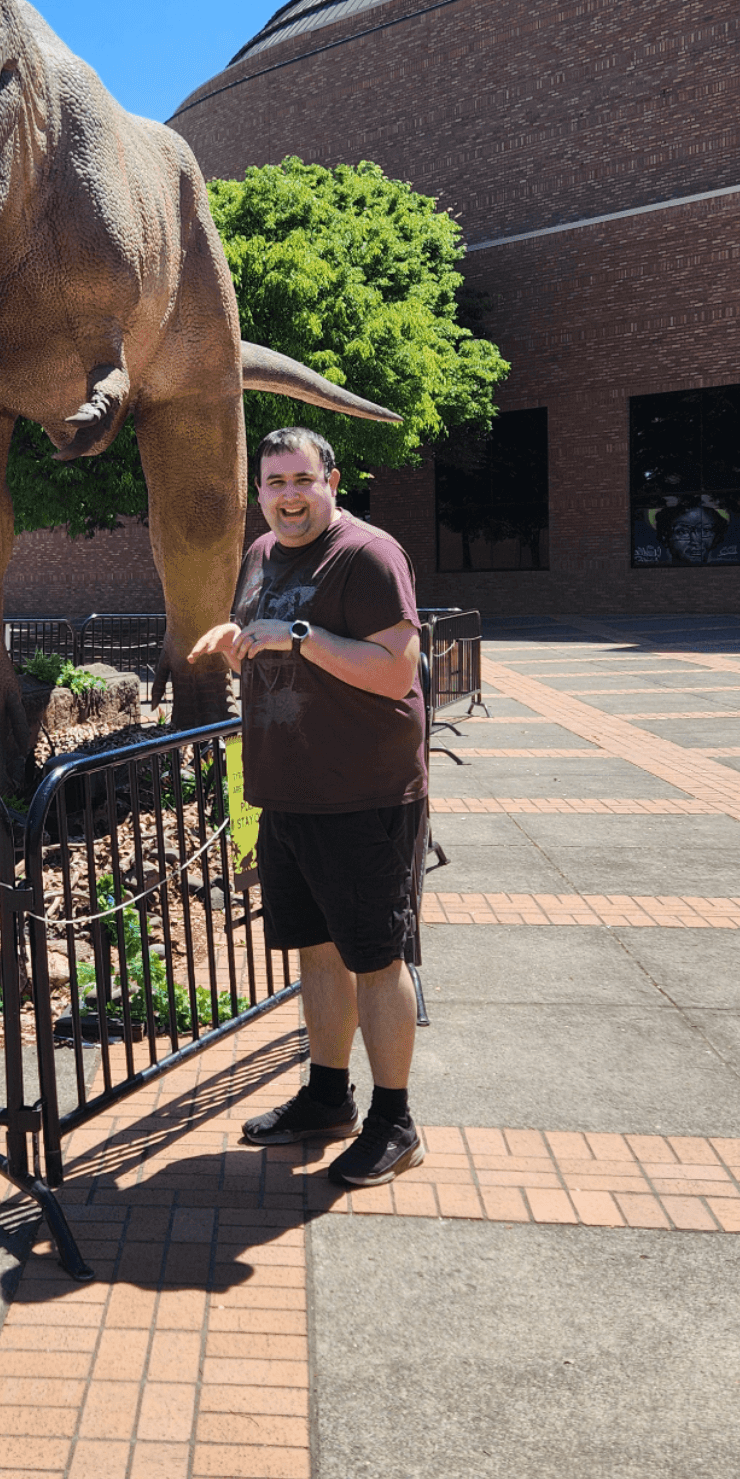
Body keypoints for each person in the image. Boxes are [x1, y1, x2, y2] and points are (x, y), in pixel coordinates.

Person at [188, 426, 427, 1186]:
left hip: (362, 792)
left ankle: (396, 1120)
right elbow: (271, 632)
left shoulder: (368, 556)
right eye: (273, 483)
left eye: (301, 479)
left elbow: (394, 673)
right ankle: (329, 1098)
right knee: (317, 955)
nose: (287, 497)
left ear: (331, 479)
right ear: (258, 491)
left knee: (376, 959)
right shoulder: (261, 554)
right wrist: (240, 637)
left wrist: (296, 637)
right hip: (286, 790)